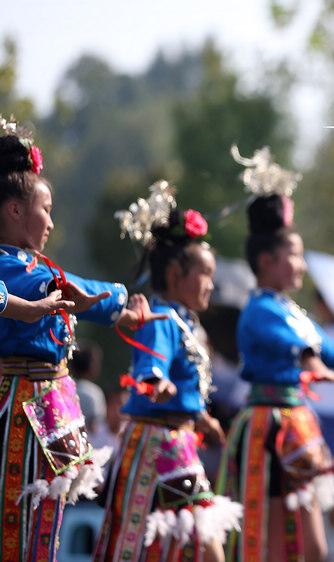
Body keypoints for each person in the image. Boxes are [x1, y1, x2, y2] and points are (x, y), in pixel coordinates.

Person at [0, 116, 164, 562]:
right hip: (19, 406)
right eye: (45, 208)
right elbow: (60, 284)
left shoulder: (30, 268)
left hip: (46, 403)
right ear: (14, 209)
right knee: (18, 525)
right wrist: (115, 298)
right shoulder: (14, 268)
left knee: (44, 530)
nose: (50, 221)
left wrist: (115, 304)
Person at [216, 146, 334, 562]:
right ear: (268, 261)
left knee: (314, 546)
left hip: (296, 420)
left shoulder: (293, 311)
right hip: (266, 428)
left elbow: (321, 341)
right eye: (295, 256)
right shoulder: (259, 311)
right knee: (271, 540)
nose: (302, 267)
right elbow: (297, 344)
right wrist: (313, 361)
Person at [94, 181, 242, 562]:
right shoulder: (160, 317)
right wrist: (154, 380)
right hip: (158, 445)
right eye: (205, 274)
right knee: (205, 546)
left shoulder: (188, 322)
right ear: (176, 275)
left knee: (172, 547)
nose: (211, 284)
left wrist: (202, 418)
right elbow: (151, 361)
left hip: (175, 440)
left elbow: (185, 384)